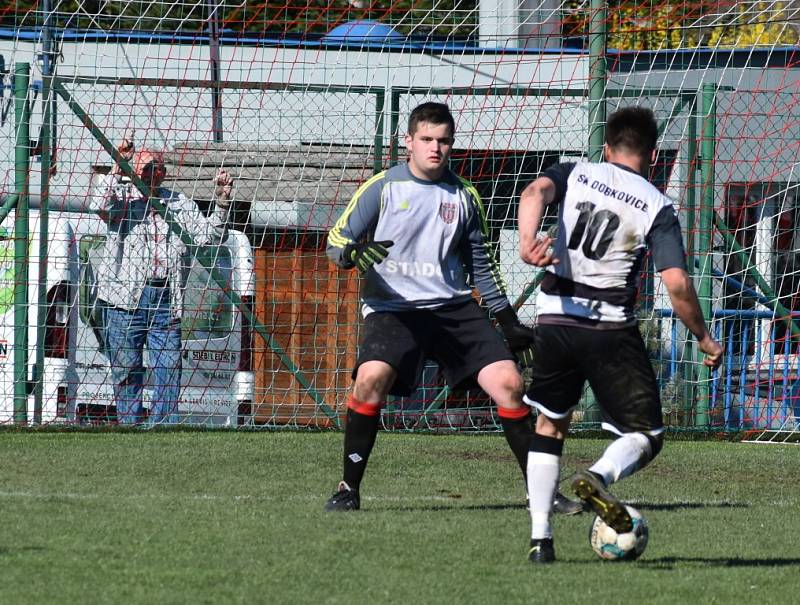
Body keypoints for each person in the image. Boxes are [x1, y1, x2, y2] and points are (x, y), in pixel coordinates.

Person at [324, 102, 581, 514]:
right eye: (426, 139)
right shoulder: (382, 187)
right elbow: (334, 243)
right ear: (407, 142)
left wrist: (508, 321)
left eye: (444, 141)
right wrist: (353, 252)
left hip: (452, 307)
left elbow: (482, 263)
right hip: (394, 309)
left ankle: (542, 493)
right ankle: (347, 488)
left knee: (510, 383)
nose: (435, 148)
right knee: (370, 378)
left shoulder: (464, 195)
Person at [517, 106, 724, 563]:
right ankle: (599, 476)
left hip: (553, 317)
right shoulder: (656, 203)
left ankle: (540, 542)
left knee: (550, 424)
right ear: (651, 155)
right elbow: (675, 283)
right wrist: (705, 339)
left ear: (607, 147)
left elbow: (533, 191)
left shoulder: (576, 172)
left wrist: (527, 241)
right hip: (608, 325)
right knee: (647, 433)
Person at [90, 132, 234, 425]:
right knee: (126, 369)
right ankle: (129, 425)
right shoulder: (124, 198)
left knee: (169, 368)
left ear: (164, 173)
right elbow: (100, 206)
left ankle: (162, 429)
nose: (152, 172)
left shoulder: (179, 203)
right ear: (135, 172)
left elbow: (209, 238)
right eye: (146, 168)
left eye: (158, 167)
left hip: (166, 299)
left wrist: (221, 203)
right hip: (123, 300)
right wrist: (118, 166)